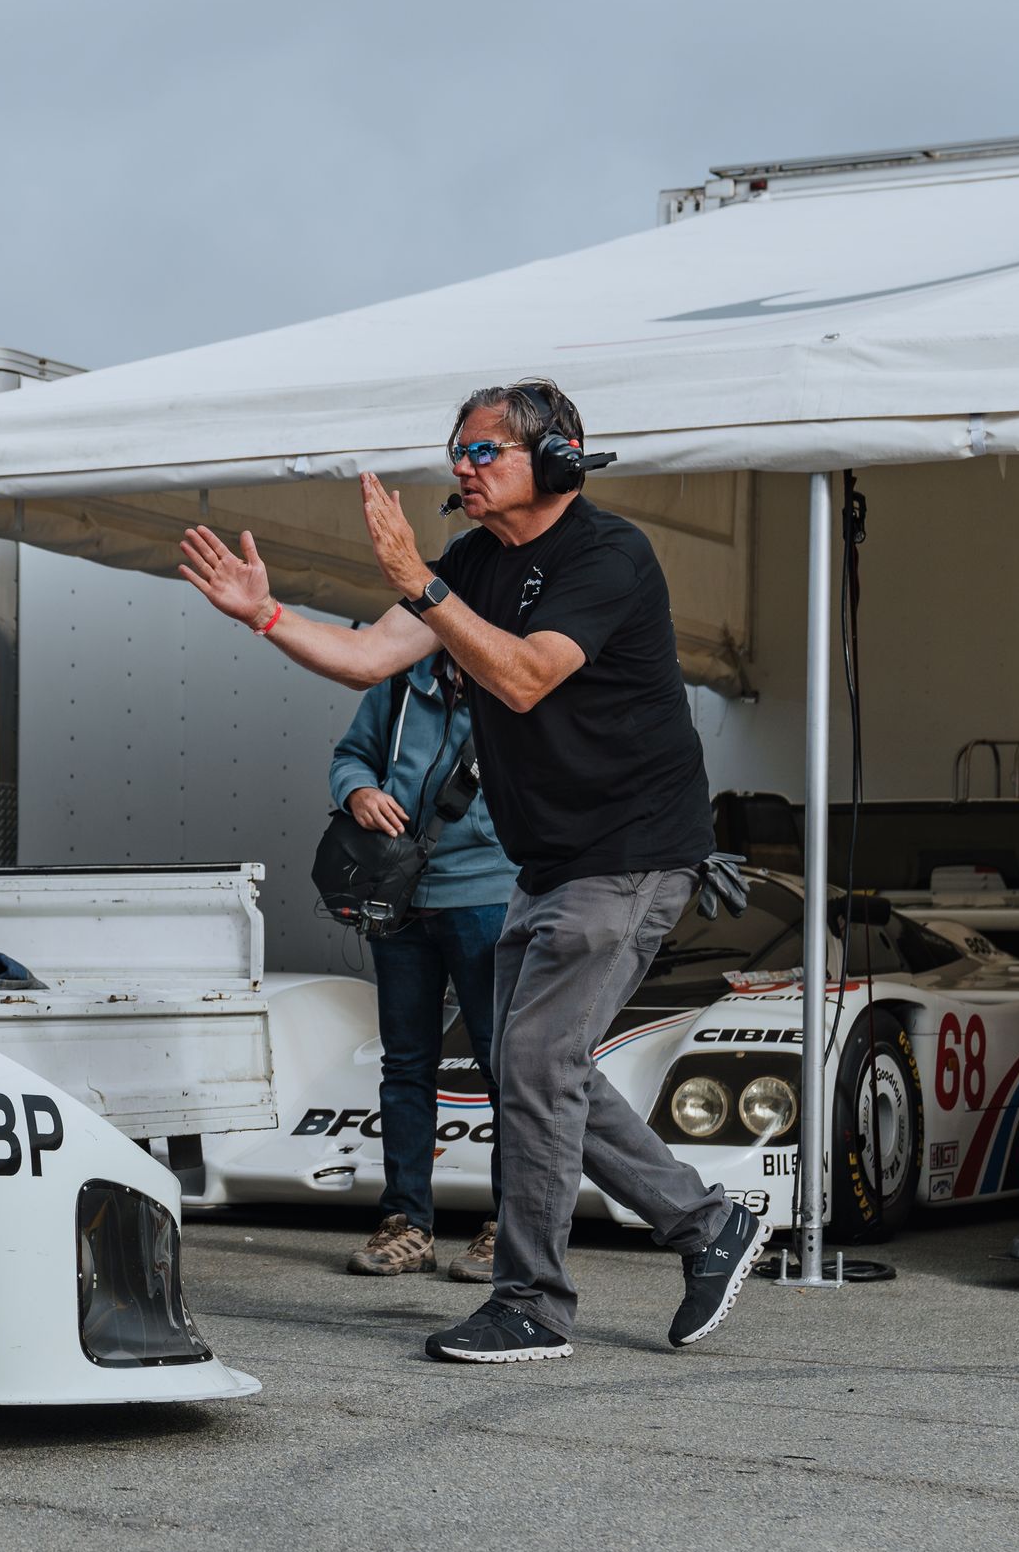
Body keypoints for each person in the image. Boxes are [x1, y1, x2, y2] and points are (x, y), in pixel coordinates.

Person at [179, 379, 765, 1364]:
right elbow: (371, 659)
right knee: (542, 1065)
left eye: (484, 450)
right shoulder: (472, 563)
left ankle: (532, 1301)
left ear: (560, 458)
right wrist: (265, 615)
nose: (462, 466)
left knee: (531, 1064)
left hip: (630, 853)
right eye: (458, 450)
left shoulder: (608, 556)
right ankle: (705, 1224)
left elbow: (527, 675)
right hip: (552, 861)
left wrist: (422, 580)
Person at [327, 654, 515, 1280]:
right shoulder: (399, 682)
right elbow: (349, 754)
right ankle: (407, 1224)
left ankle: (511, 1229)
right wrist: (357, 791)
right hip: (397, 896)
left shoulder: (517, 681)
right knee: (405, 1063)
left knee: (505, 1065)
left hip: (489, 895)